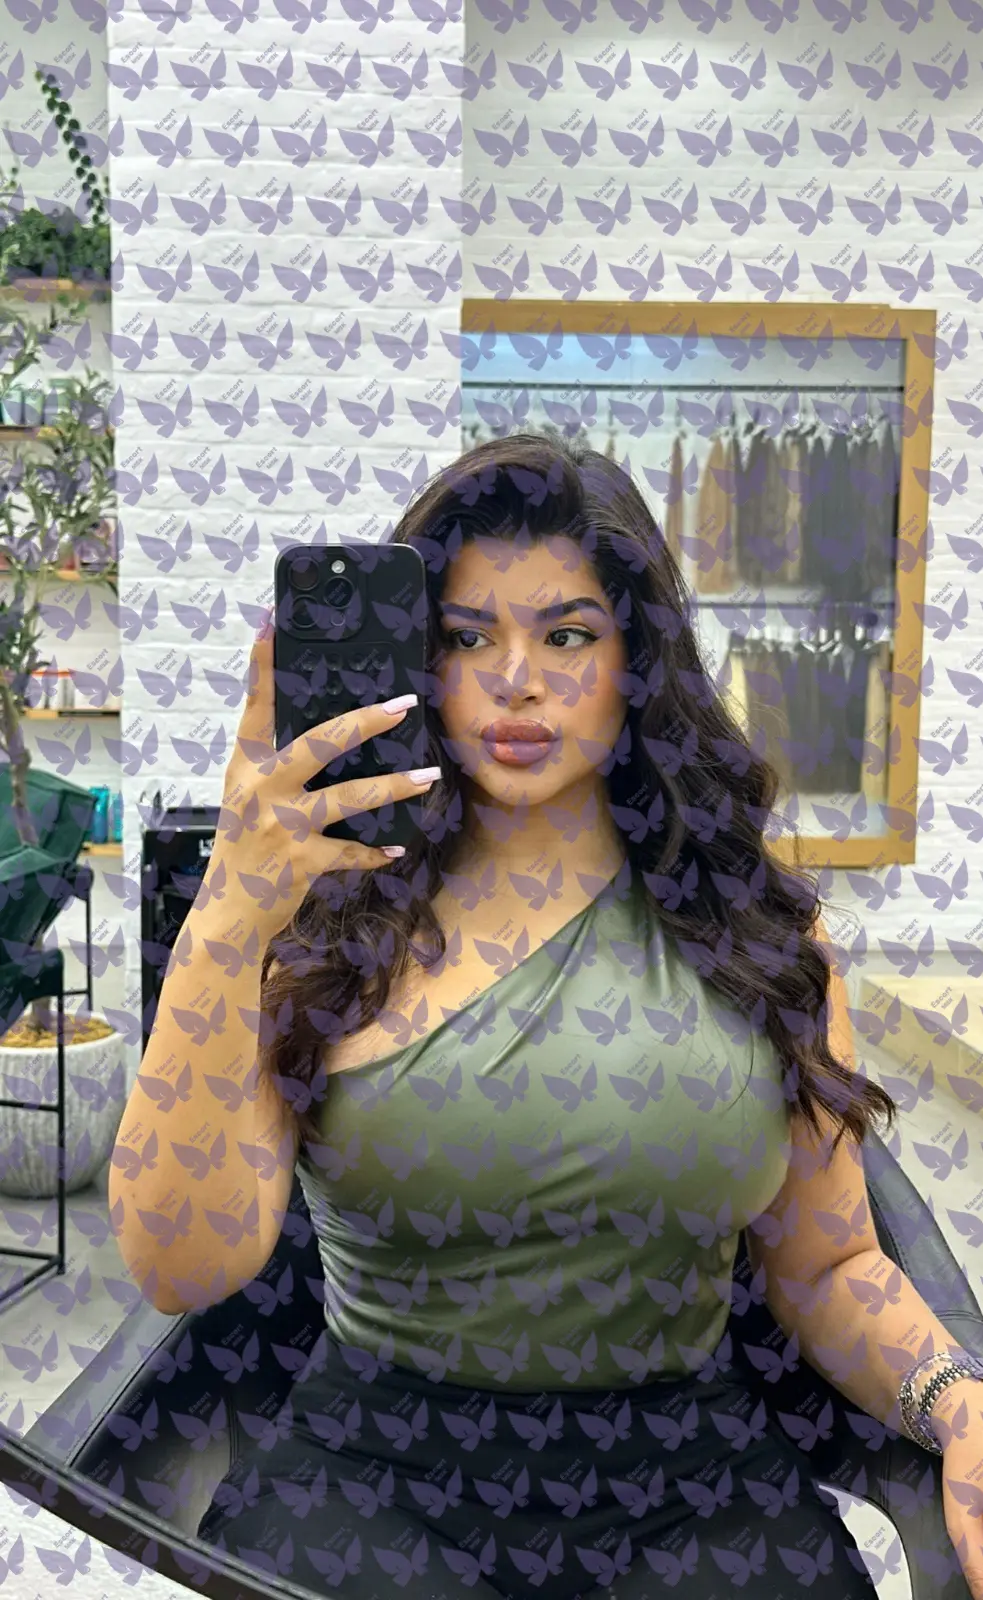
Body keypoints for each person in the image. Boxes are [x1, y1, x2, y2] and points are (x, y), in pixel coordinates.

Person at [110, 431, 900, 1599]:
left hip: (686, 1471)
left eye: (566, 634)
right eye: (466, 636)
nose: (515, 678)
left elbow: (830, 1263)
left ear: (635, 661)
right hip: (372, 1467)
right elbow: (179, 1262)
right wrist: (229, 906)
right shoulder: (325, 918)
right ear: (418, 662)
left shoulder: (750, 928)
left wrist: (957, 1401)